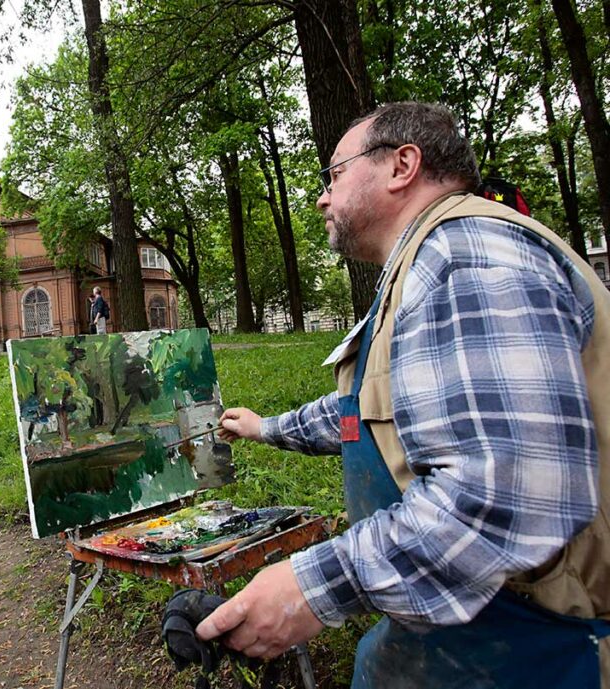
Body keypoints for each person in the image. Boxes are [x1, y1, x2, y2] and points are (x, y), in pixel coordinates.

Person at [195, 102, 610, 687]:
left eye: (334, 175)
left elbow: (505, 497)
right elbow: (366, 412)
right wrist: (268, 428)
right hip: (465, 633)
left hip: (542, 648)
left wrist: (310, 587)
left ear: (402, 166)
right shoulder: (425, 265)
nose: (321, 198)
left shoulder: (466, 256)